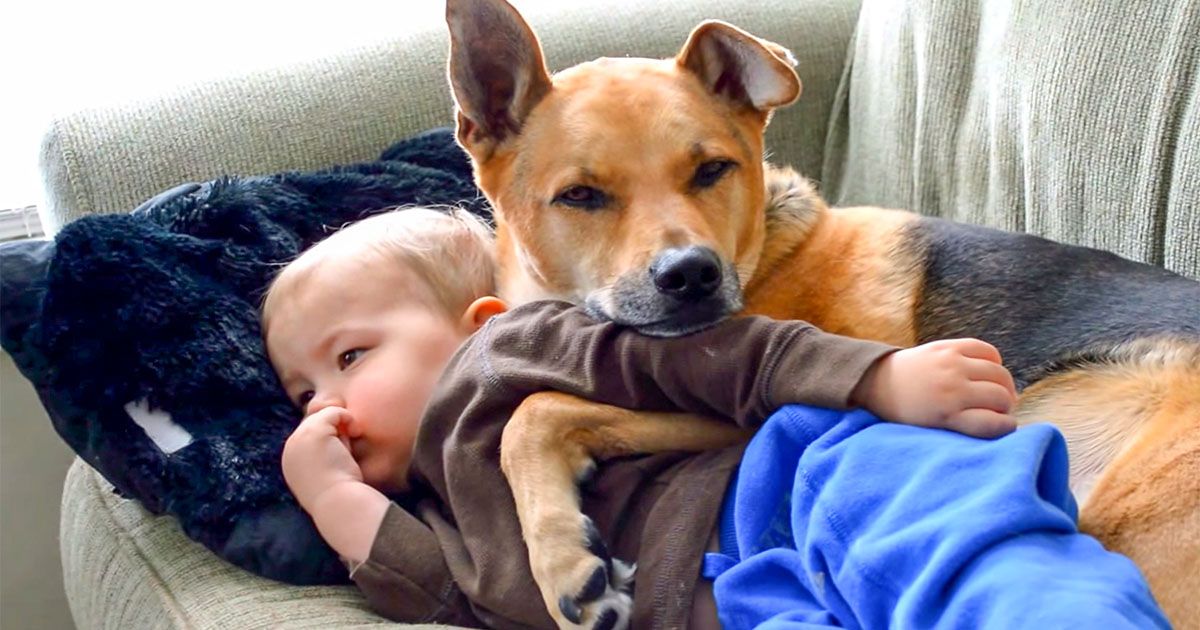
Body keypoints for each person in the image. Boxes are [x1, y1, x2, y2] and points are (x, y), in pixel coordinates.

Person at [261, 208, 1167, 629]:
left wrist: (879, 379)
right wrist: (333, 495)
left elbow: (720, 357)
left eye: (349, 358)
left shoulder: (515, 352)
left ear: (479, 323)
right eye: (302, 392)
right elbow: (443, 593)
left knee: (973, 566)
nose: (328, 404)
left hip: (816, 471)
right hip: (737, 593)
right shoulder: (449, 511)